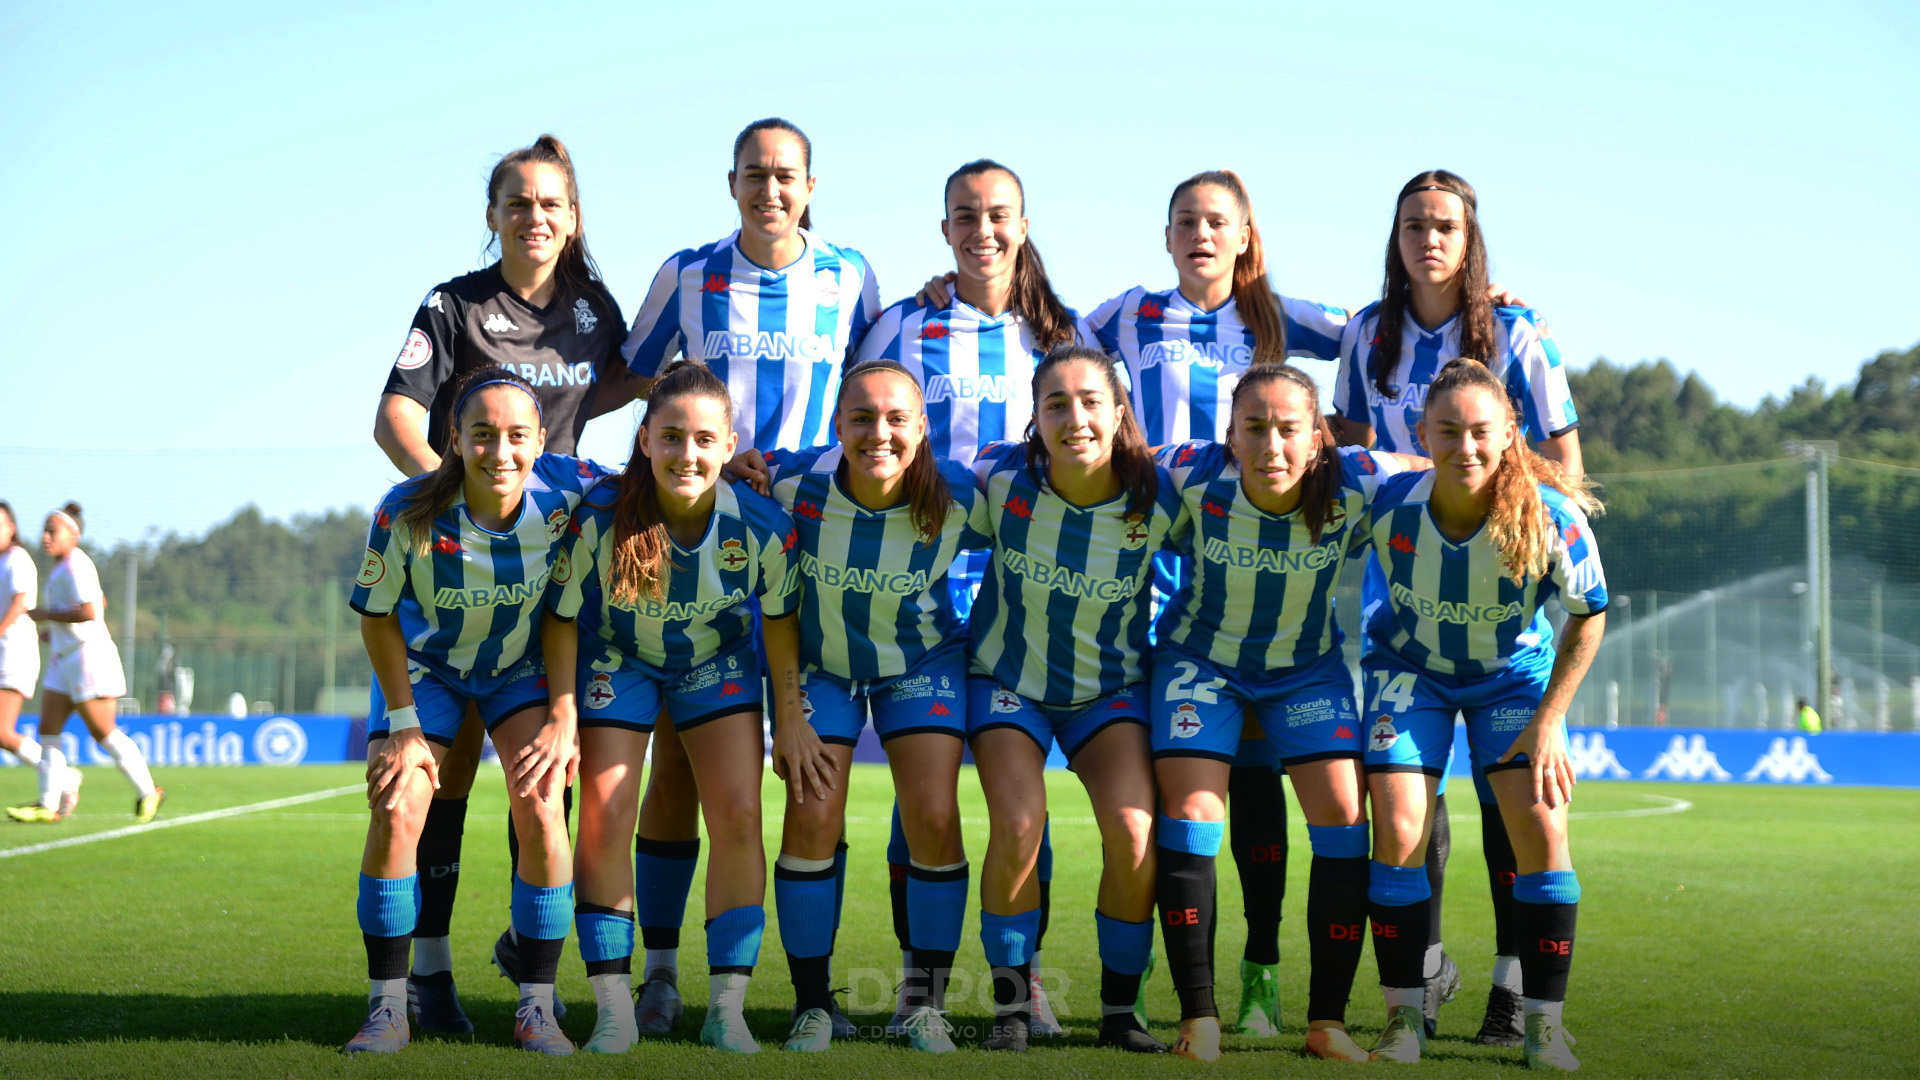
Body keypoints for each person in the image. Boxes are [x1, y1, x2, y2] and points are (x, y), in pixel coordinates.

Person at [617, 117, 878, 1037]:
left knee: (810, 775)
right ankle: (657, 974)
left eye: (787, 175)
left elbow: (878, 390)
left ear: (812, 185)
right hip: (697, 541)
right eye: (755, 175)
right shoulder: (687, 274)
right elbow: (624, 377)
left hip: (817, 540)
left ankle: (811, 994)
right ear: (730, 184)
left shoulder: (852, 277)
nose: (772, 190)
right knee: (679, 774)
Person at [368, 133, 633, 1035]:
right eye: (517, 203)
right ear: (493, 216)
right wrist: (455, 502)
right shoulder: (453, 306)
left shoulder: (593, 311)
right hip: (455, 575)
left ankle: (535, 977)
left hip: (546, 584)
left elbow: (632, 387)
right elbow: (396, 416)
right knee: (436, 785)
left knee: (540, 788)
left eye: (551, 203)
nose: (535, 217)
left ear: (573, 218)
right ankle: (428, 982)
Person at [1078, 169, 1350, 1035]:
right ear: (1166, 237)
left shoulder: (1276, 316)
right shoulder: (1128, 314)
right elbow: (1044, 346)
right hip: (1159, 567)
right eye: (1185, 220)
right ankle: (1157, 968)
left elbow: (1378, 330)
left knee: (1265, 784)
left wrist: (1469, 296)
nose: (1200, 233)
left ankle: (1262, 969)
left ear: (1243, 235)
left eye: (1217, 222)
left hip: (1260, 569)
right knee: (1179, 798)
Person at [1332, 169, 1582, 1045]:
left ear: (1470, 239)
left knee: (1516, 811)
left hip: (1502, 598)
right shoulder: (1369, 332)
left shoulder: (1518, 331)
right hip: (1403, 603)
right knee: (1411, 812)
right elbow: (1353, 456)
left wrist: (1531, 539)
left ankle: (1514, 990)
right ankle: (1425, 977)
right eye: (1412, 226)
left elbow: (1563, 460)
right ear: (1394, 238)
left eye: (1445, 226)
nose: (1428, 240)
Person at [852, 158, 1078, 1034]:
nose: (982, 230)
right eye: (965, 215)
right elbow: (855, 420)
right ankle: (922, 984)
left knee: (1024, 809)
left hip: (1029, 596)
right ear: (943, 228)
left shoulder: (1062, 329)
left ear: (1023, 224)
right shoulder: (902, 321)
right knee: (927, 798)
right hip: (924, 594)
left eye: (998, 215)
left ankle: (1024, 983)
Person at [1151, 363, 1425, 1061]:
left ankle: (1326, 1023)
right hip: (1201, 665)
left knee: (1341, 814)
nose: (1271, 446)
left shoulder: (1357, 479)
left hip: (1307, 672)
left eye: (1287, 430)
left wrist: (1530, 477)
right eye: (1255, 429)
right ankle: (1200, 1018)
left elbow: (1443, 460)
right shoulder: (1191, 472)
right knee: (1194, 816)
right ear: (1231, 437)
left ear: (1317, 441)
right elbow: (1107, 460)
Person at [343, 367, 605, 1056]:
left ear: (541, 439)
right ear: (453, 440)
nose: (501, 451)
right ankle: (388, 1010)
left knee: (545, 800)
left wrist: (563, 714)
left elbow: (656, 475)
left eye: (518, 436)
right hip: (428, 671)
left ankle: (537, 1010)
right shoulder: (406, 510)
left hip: (517, 671)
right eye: (482, 435)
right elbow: (376, 621)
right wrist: (401, 727)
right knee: (399, 803)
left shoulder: (569, 488)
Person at [1356, 358, 1605, 1070]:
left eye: (1480, 432)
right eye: (1448, 431)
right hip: (1410, 674)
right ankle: (1405, 1019)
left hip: (1509, 683)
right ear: (1422, 434)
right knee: (1401, 829)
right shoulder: (1387, 505)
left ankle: (1543, 1026)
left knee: (1539, 827)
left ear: (1509, 435)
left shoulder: (1552, 518)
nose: (1465, 447)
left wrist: (1551, 719)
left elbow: (1590, 615)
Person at [764, 361, 993, 1053]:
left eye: (897, 419)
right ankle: (813, 1006)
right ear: (837, 426)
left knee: (932, 814)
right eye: (861, 418)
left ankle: (923, 1007)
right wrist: (788, 712)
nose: (879, 433)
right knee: (811, 815)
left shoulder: (960, 493)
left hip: (920, 664)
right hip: (823, 666)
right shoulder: (789, 482)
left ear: (923, 428)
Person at [967, 346, 1189, 1054]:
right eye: (1056, 404)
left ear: (1119, 412)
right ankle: (1011, 1009)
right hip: (1008, 683)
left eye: (1091, 401)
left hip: (1108, 691)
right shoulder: (1000, 478)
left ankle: (1121, 1014)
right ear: (1035, 417)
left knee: (1133, 834)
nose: (1075, 417)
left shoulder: (1159, 493)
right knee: (1020, 826)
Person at [5, 503, 162, 826]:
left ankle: (149, 791)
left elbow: (91, 611)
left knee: (103, 732)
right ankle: (48, 804)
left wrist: (47, 615)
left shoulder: (76, 564)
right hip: (66, 658)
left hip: (89, 657)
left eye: (53, 531)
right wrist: (55, 631)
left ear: (73, 535)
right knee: (48, 730)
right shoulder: (63, 567)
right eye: (45, 530)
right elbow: (98, 602)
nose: (46, 537)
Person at [0, 501, 55, 797]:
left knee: (2, 732)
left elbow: (22, 603)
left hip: (14, 652)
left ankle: (63, 779)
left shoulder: (17, 559)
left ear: (11, 528)